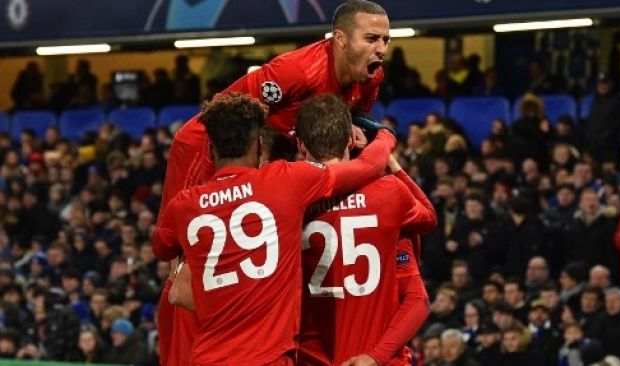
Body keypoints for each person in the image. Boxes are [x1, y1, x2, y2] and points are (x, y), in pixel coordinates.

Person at [156, 1, 390, 363]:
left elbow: (342, 127)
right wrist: (205, 198)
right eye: (372, 38)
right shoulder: (295, 72)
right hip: (203, 149)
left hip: (270, 154)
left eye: (386, 40)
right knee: (186, 275)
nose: (381, 49)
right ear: (340, 39)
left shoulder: (371, 77)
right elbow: (221, 122)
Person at [296, 94, 436, 366]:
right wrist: (391, 163)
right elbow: (417, 298)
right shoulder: (390, 194)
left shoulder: (284, 201)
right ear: (349, 140)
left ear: (301, 145)